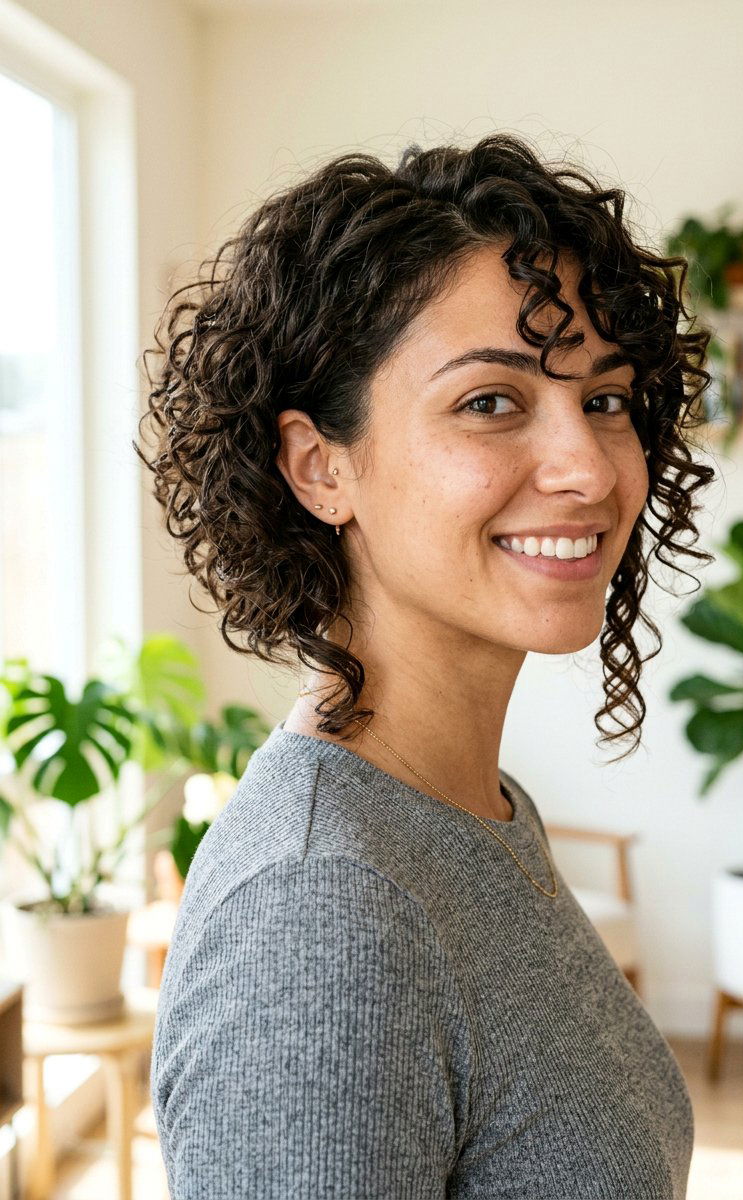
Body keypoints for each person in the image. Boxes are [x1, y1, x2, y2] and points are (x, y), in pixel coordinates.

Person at [137, 133, 714, 1198]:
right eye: (489, 401)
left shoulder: (473, 810)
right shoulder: (321, 912)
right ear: (320, 467)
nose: (586, 466)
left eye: (602, 398)